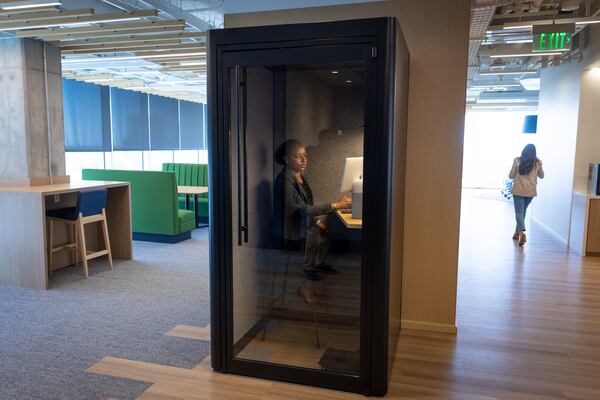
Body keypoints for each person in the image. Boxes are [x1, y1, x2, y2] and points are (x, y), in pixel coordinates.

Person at [271, 139, 352, 280]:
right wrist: (335, 205)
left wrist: (321, 222)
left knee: (326, 225)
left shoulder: (300, 177)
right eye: (297, 156)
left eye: (305, 156)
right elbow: (301, 210)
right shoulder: (284, 180)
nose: (303, 160)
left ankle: (319, 263)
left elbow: (306, 207)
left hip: (301, 221)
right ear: (286, 159)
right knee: (314, 228)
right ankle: (309, 268)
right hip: (289, 227)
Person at [509, 144, 544, 246]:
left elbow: (511, 176)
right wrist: (540, 167)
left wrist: (514, 167)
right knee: (522, 212)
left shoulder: (517, 161)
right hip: (530, 191)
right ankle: (516, 233)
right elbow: (542, 176)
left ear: (523, 151)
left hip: (518, 191)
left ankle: (521, 233)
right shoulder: (537, 163)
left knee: (519, 213)